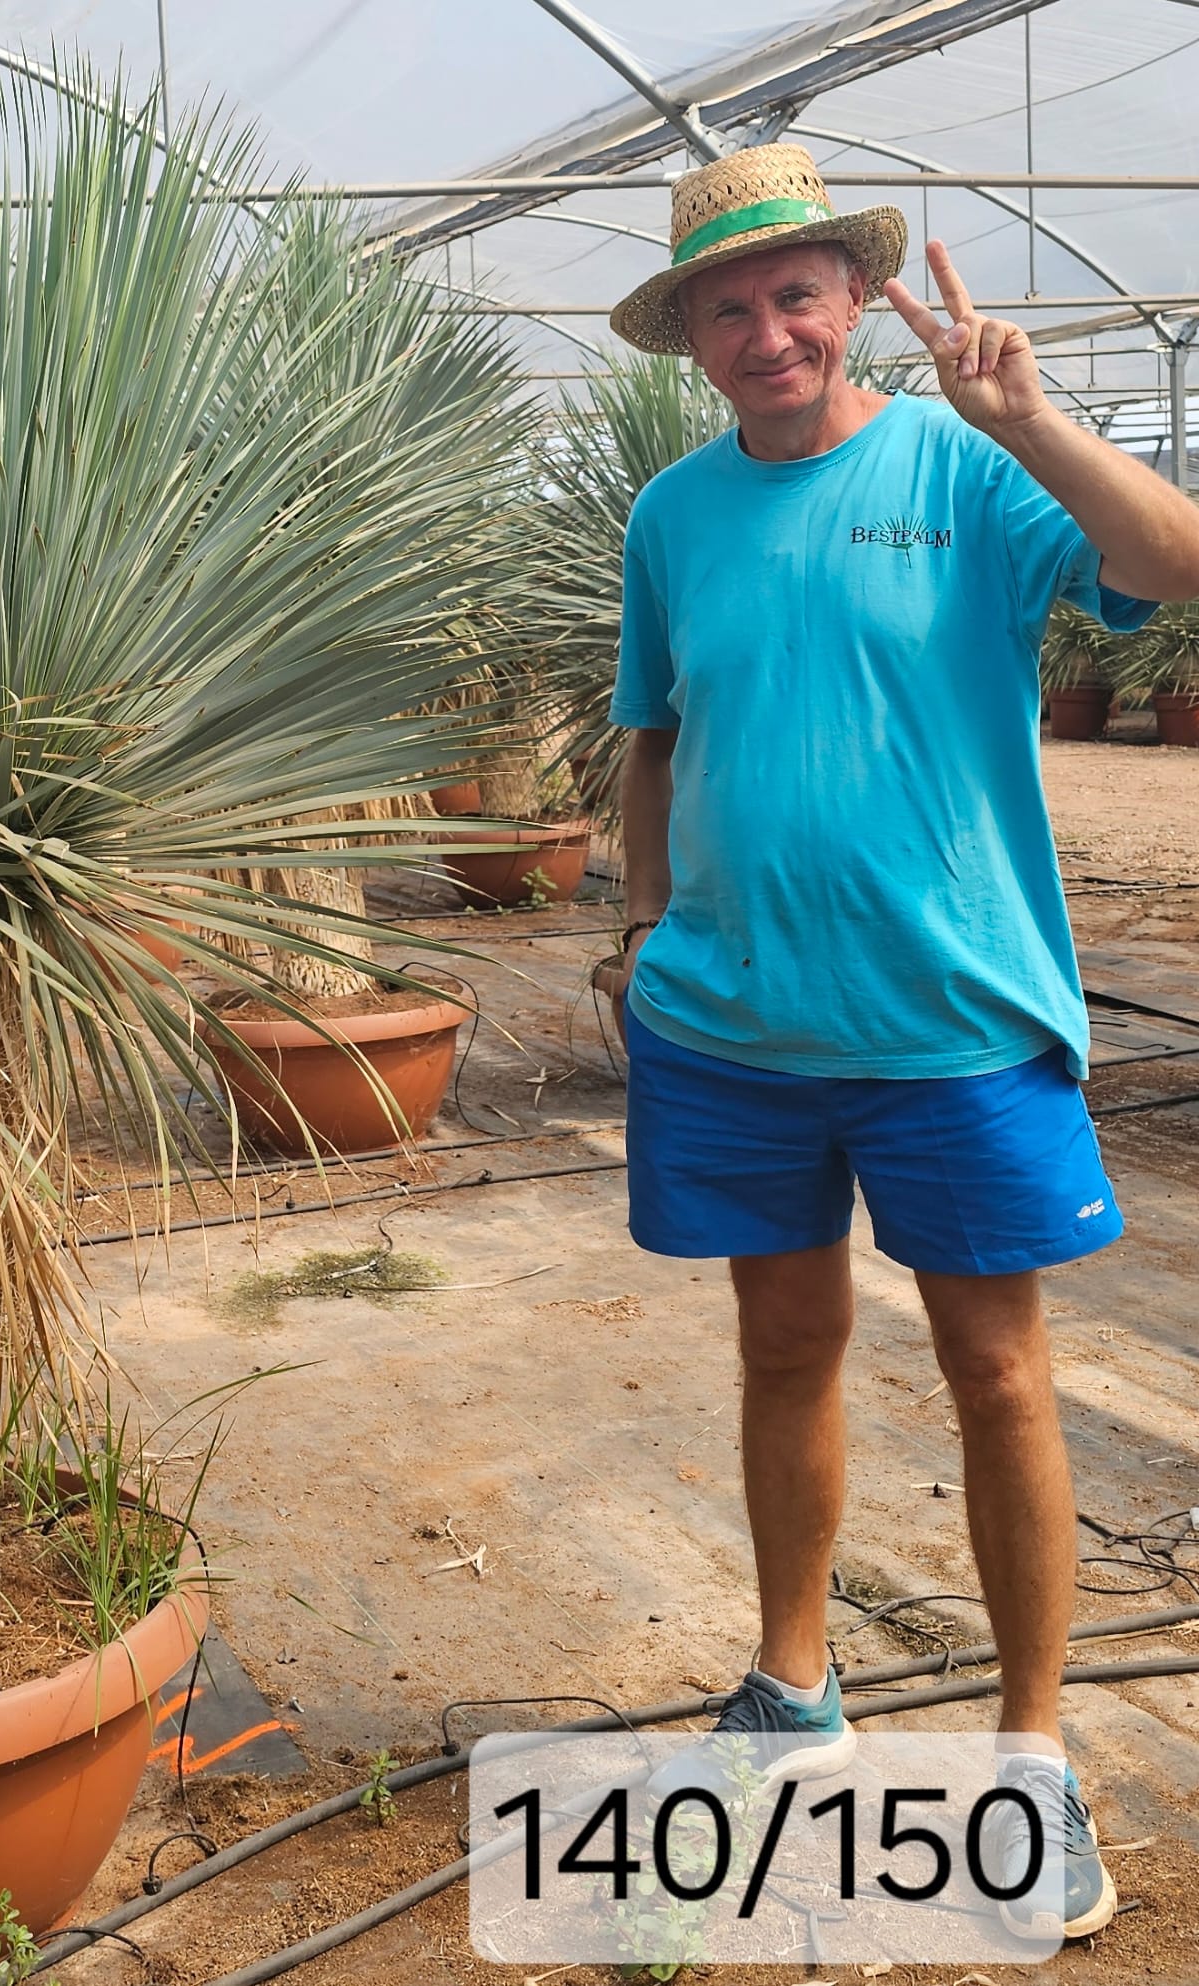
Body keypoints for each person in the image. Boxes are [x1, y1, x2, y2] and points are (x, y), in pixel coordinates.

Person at [603, 141, 1199, 1943]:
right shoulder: (671, 517)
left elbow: (1171, 564)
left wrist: (1035, 421)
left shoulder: (967, 467)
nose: (768, 330)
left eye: (796, 293)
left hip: (954, 1020)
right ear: (694, 337)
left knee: (998, 1373)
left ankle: (1031, 1755)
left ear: (854, 299)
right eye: (729, 306)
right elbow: (652, 732)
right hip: (735, 1024)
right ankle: (795, 1686)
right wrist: (638, 922)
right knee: (784, 1344)